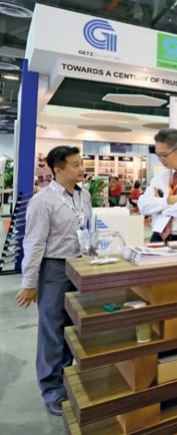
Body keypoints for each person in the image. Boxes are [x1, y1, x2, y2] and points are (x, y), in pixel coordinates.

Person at [16, 146, 93, 417]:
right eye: (75, 165)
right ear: (57, 170)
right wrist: (29, 282)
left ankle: (68, 379)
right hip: (53, 269)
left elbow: (87, 228)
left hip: (80, 266)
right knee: (52, 329)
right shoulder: (43, 201)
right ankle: (51, 389)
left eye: (81, 162)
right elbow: (34, 244)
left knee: (74, 326)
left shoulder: (84, 196)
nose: (81, 168)